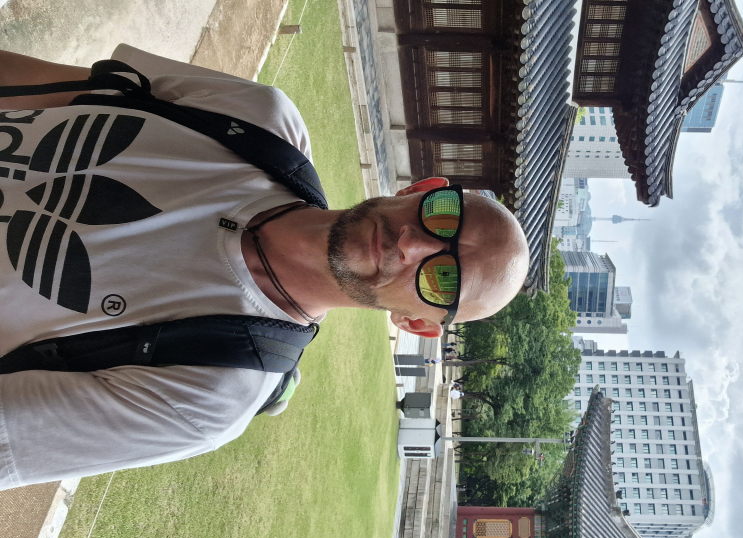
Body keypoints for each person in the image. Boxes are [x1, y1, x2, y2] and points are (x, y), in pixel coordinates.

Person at [0, 46, 529, 490]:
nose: (414, 245)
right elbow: (46, 86)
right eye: (444, 217)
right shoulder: (260, 120)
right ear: (422, 189)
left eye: (444, 278)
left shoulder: (208, 393)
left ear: (416, 323)